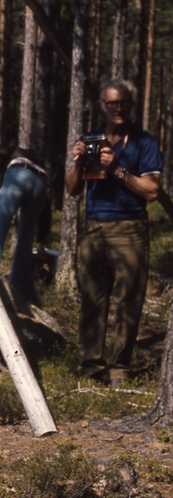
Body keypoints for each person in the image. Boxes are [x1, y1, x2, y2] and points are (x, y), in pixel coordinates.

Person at [65, 79, 163, 386]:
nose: (118, 108)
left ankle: (120, 367)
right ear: (102, 107)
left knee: (128, 299)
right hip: (94, 227)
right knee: (93, 300)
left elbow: (151, 191)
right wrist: (79, 161)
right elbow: (71, 190)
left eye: (123, 103)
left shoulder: (144, 142)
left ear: (132, 105)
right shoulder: (92, 137)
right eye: (112, 103)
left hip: (130, 227)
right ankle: (92, 365)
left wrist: (117, 168)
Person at [0, 145, 50, 293]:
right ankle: (18, 289)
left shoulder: (13, 150)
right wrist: (41, 243)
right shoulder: (40, 165)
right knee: (26, 239)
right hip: (42, 182)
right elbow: (46, 208)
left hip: (19, 173)